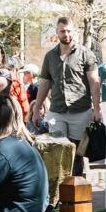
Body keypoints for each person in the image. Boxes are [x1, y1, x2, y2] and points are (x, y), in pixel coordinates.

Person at [32, 15, 97, 150]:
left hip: (80, 110)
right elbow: (44, 84)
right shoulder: (50, 56)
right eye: (62, 31)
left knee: (77, 151)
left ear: (73, 31)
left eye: (68, 31)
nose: (66, 34)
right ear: (57, 32)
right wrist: (37, 108)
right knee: (58, 149)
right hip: (57, 110)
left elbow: (94, 82)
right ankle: (62, 172)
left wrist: (97, 108)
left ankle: (76, 171)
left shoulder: (86, 54)